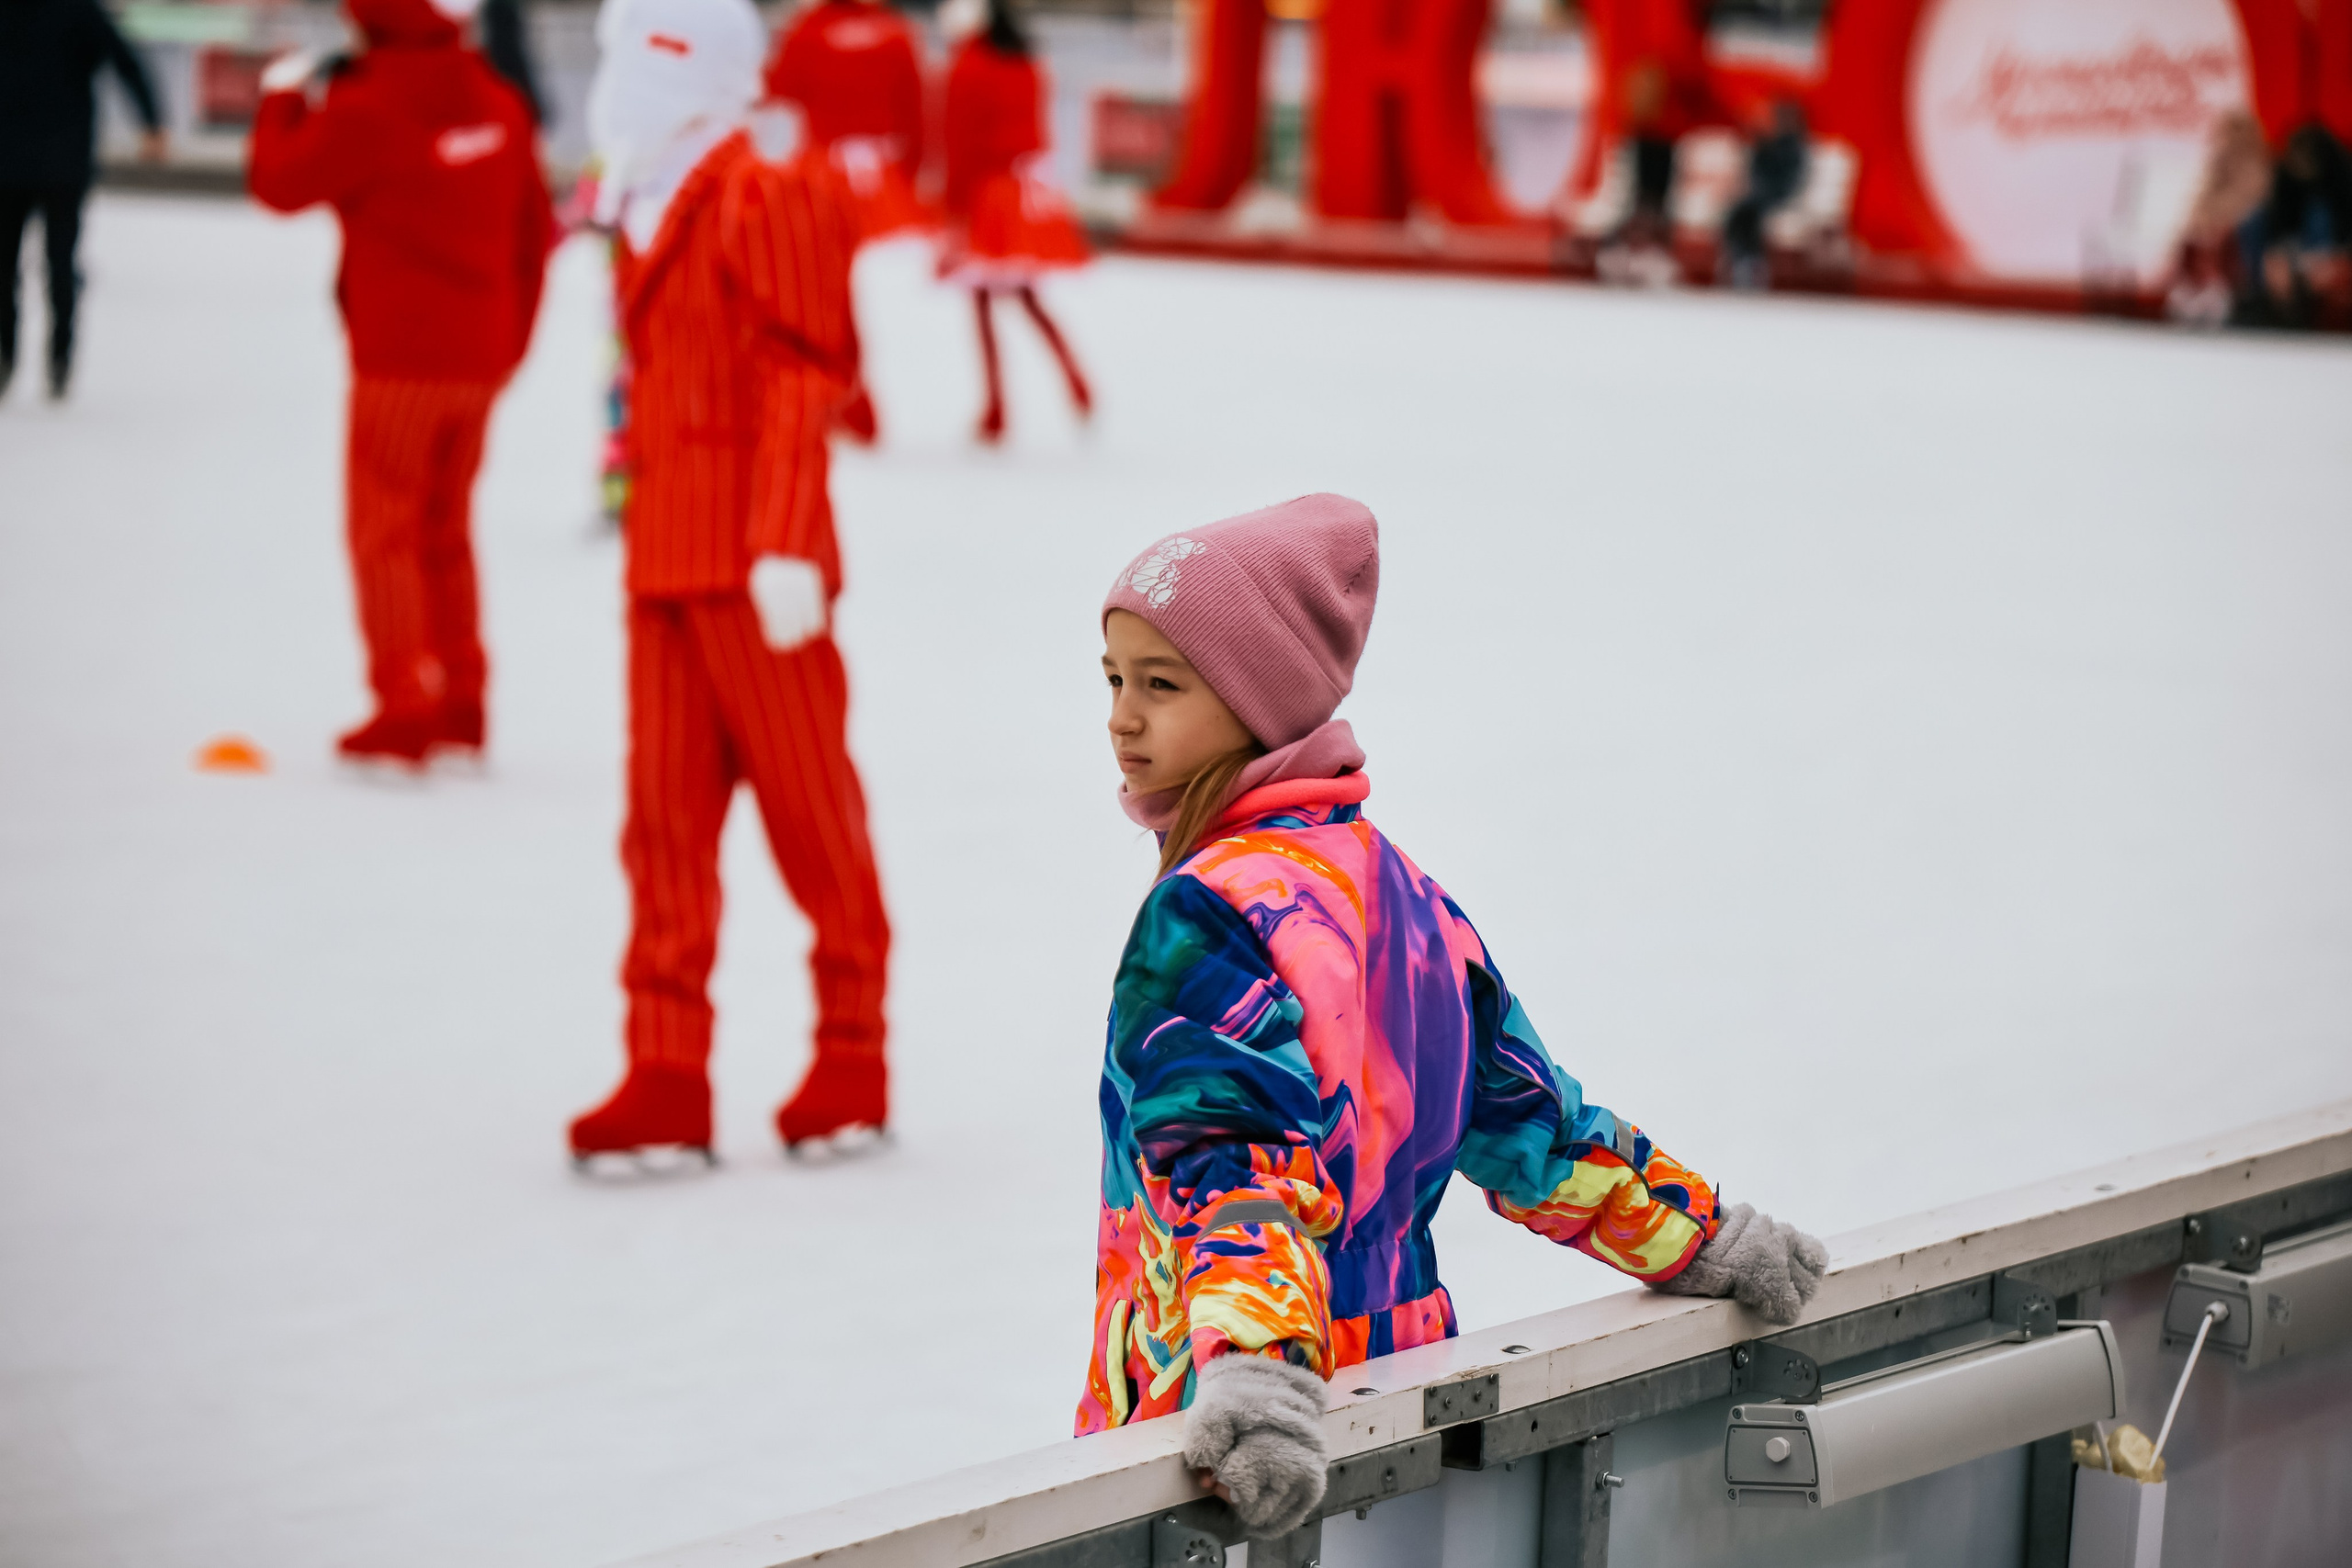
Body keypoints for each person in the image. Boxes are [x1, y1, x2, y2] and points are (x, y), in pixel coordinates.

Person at [1082, 495, 1826, 1538]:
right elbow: (1537, 1128)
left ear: (1263, 703)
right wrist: (1701, 1238)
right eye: (1113, 679)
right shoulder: (1404, 896)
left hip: (1223, 1429)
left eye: (1161, 687)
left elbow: (1232, 1170)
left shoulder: (1209, 912)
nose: (1121, 717)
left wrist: (1255, 1381)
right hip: (1399, 1405)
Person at [567, 0, 893, 1162]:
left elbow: (807, 369)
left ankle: (850, 1050)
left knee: (811, 812)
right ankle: (666, 1067)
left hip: (759, 567)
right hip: (665, 556)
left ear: (676, 65)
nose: (609, 84)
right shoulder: (641, 194)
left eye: (624, 59)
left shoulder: (767, 189)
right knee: (661, 825)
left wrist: (787, 537)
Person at [247, 0, 555, 769]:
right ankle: (461, 692)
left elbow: (279, 184)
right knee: (446, 531)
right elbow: (533, 232)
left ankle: (403, 699)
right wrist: (510, 345)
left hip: (398, 358)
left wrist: (284, 95)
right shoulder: (498, 103)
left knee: (385, 528)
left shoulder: (367, 110)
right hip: (480, 355)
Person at [938, 0, 1091, 444]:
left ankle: (995, 408)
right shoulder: (1025, 61)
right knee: (1026, 295)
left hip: (988, 193)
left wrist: (954, 210)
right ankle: (1075, 382)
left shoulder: (969, 66)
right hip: (1025, 187)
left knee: (983, 301)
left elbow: (961, 143)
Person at [0, 0, 166, 400]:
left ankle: (11, 355)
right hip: (61, 163)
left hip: (15, 162)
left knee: (11, 266)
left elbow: (124, 61)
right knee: (59, 264)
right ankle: (58, 357)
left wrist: (150, 120)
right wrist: (151, 122)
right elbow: (126, 62)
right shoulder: (78, 10)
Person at [762, 0, 928, 241]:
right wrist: (910, 173)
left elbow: (779, 89)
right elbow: (912, 111)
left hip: (824, 171)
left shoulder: (806, 31)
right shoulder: (895, 32)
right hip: (883, 174)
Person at [2165, 109, 2269, 328]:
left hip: (2239, 225)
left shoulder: (2255, 164)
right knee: (2190, 236)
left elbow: (2249, 199)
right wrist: (2200, 220)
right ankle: (2192, 292)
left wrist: (2217, 219)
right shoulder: (2217, 165)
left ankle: (2222, 294)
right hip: (2216, 221)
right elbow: (2202, 196)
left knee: (2224, 237)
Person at [2247, 122, 2352, 331]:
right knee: (2253, 220)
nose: (2300, 163)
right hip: (2298, 253)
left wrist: (2334, 261)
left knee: (2318, 213)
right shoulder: (2284, 181)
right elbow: (2277, 227)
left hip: (2333, 253)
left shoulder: (2342, 182)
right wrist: (2277, 256)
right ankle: (2271, 305)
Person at [1719, 97, 1807, 291]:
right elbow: (1755, 172)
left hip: (1780, 194)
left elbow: (1790, 178)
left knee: (1750, 212)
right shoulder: (1768, 143)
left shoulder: (1794, 145)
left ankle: (1751, 262)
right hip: (1761, 195)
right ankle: (1741, 257)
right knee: (1740, 212)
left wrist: (1765, 146)